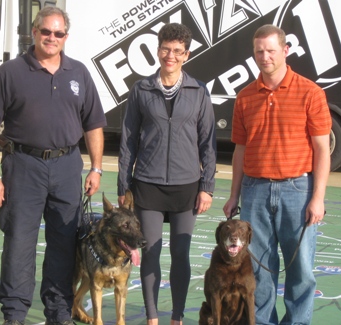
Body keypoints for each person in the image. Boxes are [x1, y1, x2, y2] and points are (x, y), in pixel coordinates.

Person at [0, 7, 106, 325]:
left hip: (66, 167)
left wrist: (96, 167)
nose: (52, 38)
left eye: (58, 33)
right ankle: (15, 313)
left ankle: (59, 312)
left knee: (64, 242)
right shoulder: (10, 72)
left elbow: (93, 125)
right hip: (23, 166)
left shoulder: (78, 73)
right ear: (34, 32)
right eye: (45, 31)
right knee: (20, 241)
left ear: (66, 36)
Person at [223, 24, 332, 325]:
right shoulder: (245, 97)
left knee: (301, 270)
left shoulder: (310, 92)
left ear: (285, 50)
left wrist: (318, 198)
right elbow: (240, 151)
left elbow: (322, 150)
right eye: (259, 51)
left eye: (271, 50)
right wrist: (234, 195)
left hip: (298, 190)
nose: (265, 56)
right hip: (255, 191)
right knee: (258, 269)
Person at [117, 23, 217, 325]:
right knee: (149, 254)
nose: (170, 56)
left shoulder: (199, 91)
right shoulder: (141, 89)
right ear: (158, 50)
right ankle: (152, 318)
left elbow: (208, 143)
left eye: (177, 51)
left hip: (187, 186)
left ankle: (176, 317)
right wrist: (124, 185)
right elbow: (128, 140)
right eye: (165, 49)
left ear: (186, 54)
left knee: (180, 255)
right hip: (147, 186)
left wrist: (207, 187)